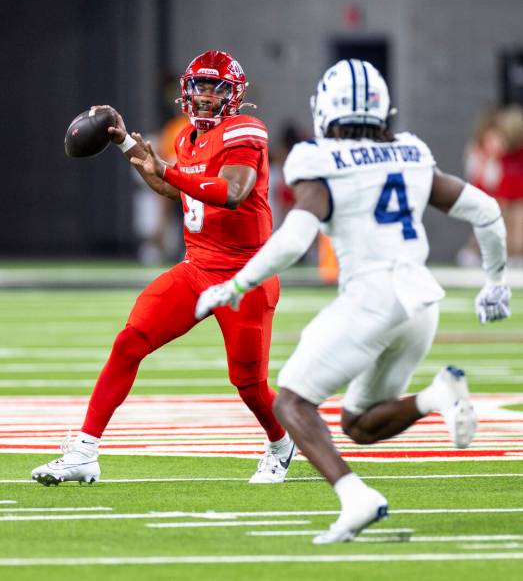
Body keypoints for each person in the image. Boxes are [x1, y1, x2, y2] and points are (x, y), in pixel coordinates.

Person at [194, 59, 511, 544]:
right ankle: (438, 396)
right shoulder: (410, 151)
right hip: (422, 304)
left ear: (325, 108)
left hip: (372, 298)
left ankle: (355, 497)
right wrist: (496, 282)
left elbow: (295, 238)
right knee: (359, 425)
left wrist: (234, 285)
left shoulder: (317, 159)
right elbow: (485, 210)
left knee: (294, 402)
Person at [31, 50, 296, 486]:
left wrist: (169, 172)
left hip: (246, 276)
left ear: (234, 95)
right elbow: (170, 186)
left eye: (216, 88)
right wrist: (125, 143)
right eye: (200, 87)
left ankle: (280, 442)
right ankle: (84, 450)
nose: (206, 96)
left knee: (248, 384)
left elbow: (233, 191)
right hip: (196, 269)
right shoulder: (186, 138)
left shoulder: (246, 130)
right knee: (129, 341)